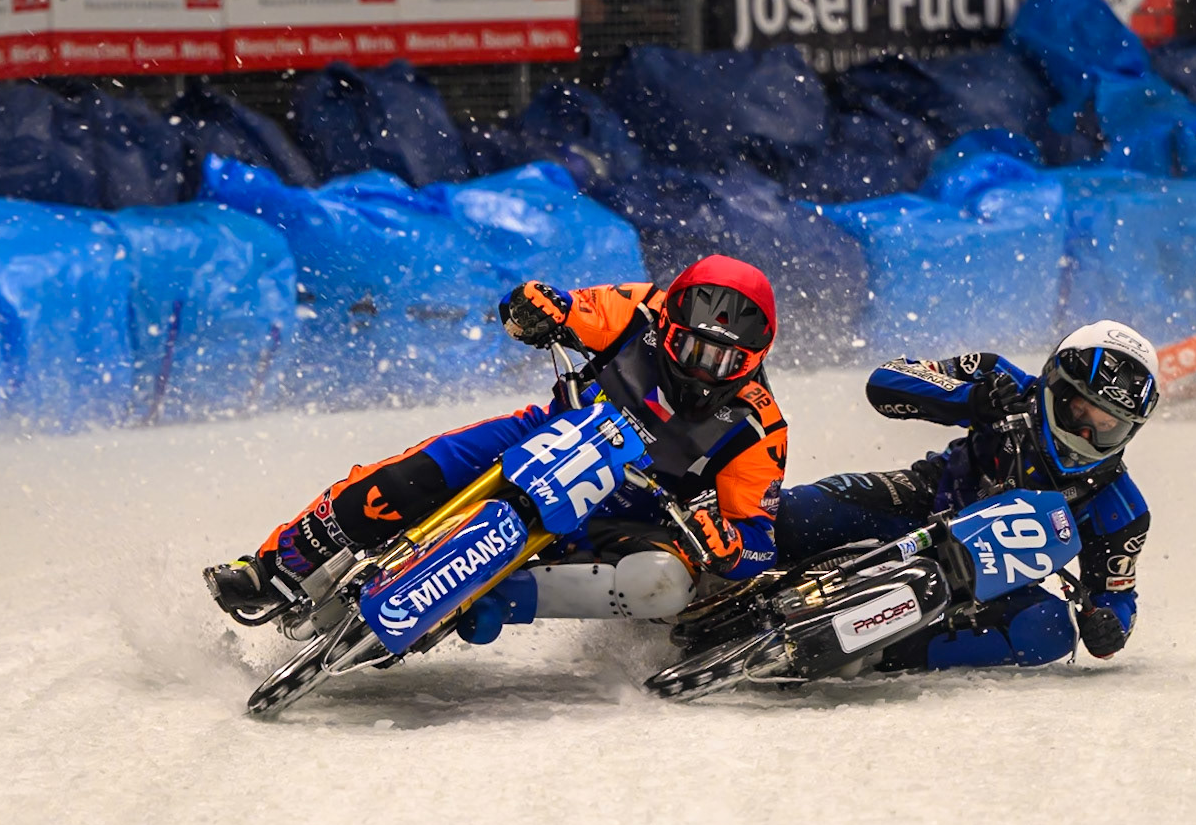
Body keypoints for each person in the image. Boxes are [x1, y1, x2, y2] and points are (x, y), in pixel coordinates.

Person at [208, 255, 790, 624]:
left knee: (660, 585)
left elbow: (760, 539)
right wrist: (535, 306)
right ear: (667, 324)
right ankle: (270, 565)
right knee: (403, 480)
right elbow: (555, 309)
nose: (702, 369)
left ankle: (497, 600)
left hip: (631, 516)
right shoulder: (637, 307)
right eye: (692, 349)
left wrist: (731, 548)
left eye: (725, 360)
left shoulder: (759, 428)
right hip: (542, 435)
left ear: (755, 359)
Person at [774, 321, 1158, 672]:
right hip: (926, 500)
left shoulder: (1122, 508)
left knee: (1052, 629)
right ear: (1055, 386)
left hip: (984, 588)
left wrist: (1109, 626)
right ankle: (732, 562)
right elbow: (885, 381)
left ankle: (883, 652)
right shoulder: (1001, 380)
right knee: (797, 513)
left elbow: (1117, 597)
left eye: (1108, 426)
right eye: (1081, 412)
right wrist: (970, 399)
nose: (1088, 435)